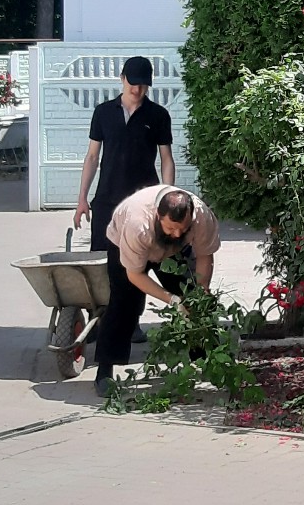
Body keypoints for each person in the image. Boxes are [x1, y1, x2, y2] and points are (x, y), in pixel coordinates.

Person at [94, 184, 219, 397]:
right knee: (124, 304)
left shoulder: (201, 216)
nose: (177, 233)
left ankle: (206, 359)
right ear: (158, 216)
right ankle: (104, 371)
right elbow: (135, 275)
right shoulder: (137, 224)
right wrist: (172, 300)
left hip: (174, 253)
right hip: (125, 245)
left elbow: (205, 255)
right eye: (171, 228)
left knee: (193, 299)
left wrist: (201, 290)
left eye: (183, 229)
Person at [72, 56, 175, 250]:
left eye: (143, 85)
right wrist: (82, 198)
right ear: (122, 78)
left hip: (144, 201)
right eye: (133, 83)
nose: (137, 90)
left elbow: (166, 159)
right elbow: (92, 157)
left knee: (141, 257)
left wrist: (167, 198)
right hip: (106, 199)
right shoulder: (103, 113)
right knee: (103, 258)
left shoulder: (158, 115)